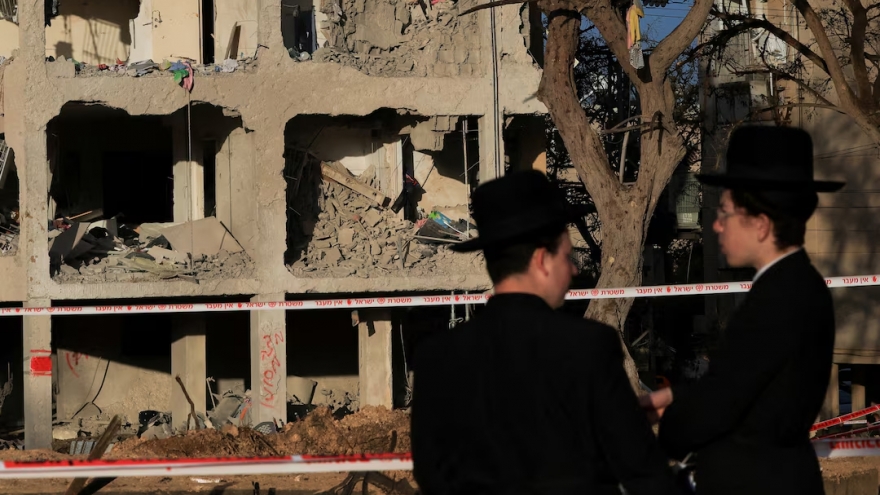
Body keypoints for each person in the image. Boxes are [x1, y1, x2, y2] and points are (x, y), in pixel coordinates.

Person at [411, 170, 680, 495]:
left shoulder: (436, 357)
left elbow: (430, 474)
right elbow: (643, 471)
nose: (574, 269)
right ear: (541, 260)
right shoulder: (589, 345)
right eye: (568, 256)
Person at [641, 125, 844, 495]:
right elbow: (745, 388)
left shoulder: (778, 298)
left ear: (761, 225)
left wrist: (671, 425)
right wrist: (676, 396)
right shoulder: (795, 284)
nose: (717, 225)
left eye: (725, 212)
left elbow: (720, 406)